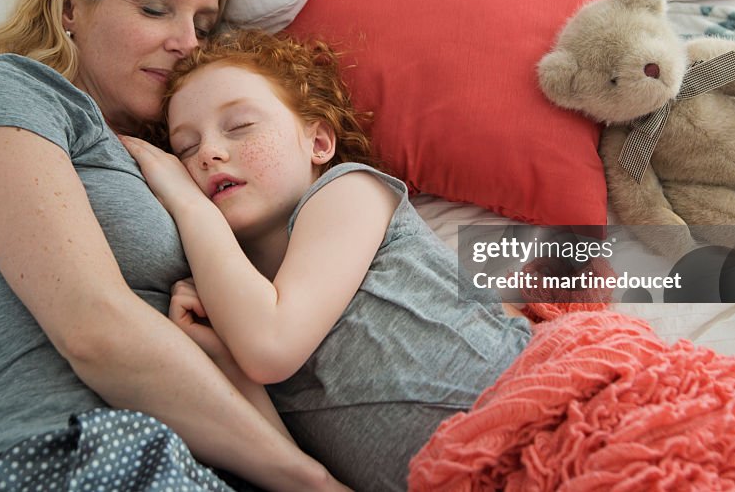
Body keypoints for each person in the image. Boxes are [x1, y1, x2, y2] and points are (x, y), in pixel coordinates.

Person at [0, 0, 345, 492]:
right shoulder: (5, 92)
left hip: (216, 465)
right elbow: (94, 329)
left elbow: (366, 245)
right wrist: (310, 482)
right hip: (59, 449)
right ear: (71, 6)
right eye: (154, 9)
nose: (186, 44)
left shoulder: (200, 161)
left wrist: (538, 258)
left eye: (205, 24)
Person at [120, 29, 534, 491]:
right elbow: (295, 470)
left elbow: (270, 347)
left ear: (318, 144)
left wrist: (186, 200)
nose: (209, 154)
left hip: (541, 421)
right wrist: (228, 363)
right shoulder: (240, 310)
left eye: (239, 126)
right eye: (185, 150)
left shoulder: (349, 192)